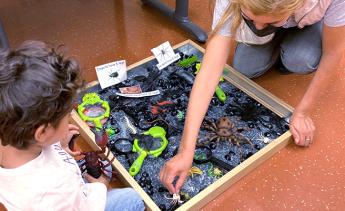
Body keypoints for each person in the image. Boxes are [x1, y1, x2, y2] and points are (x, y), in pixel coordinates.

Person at [160, 0, 345, 194]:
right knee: (244, 67)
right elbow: (209, 71)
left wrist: (302, 112)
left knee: (300, 60)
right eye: (250, 17)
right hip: (278, 19)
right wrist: (186, 149)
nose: (257, 27)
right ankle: (275, 37)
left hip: (308, 21)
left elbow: (333, 53)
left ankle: (290, 45)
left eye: (269, 21)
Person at [0, 41, 145, 211]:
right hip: (74, 202)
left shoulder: (10, 129)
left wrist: (57, 145)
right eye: (68, 115)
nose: (70, 118)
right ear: (43, 132)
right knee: (131, 198)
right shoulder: (56, 191)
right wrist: (100, 187)